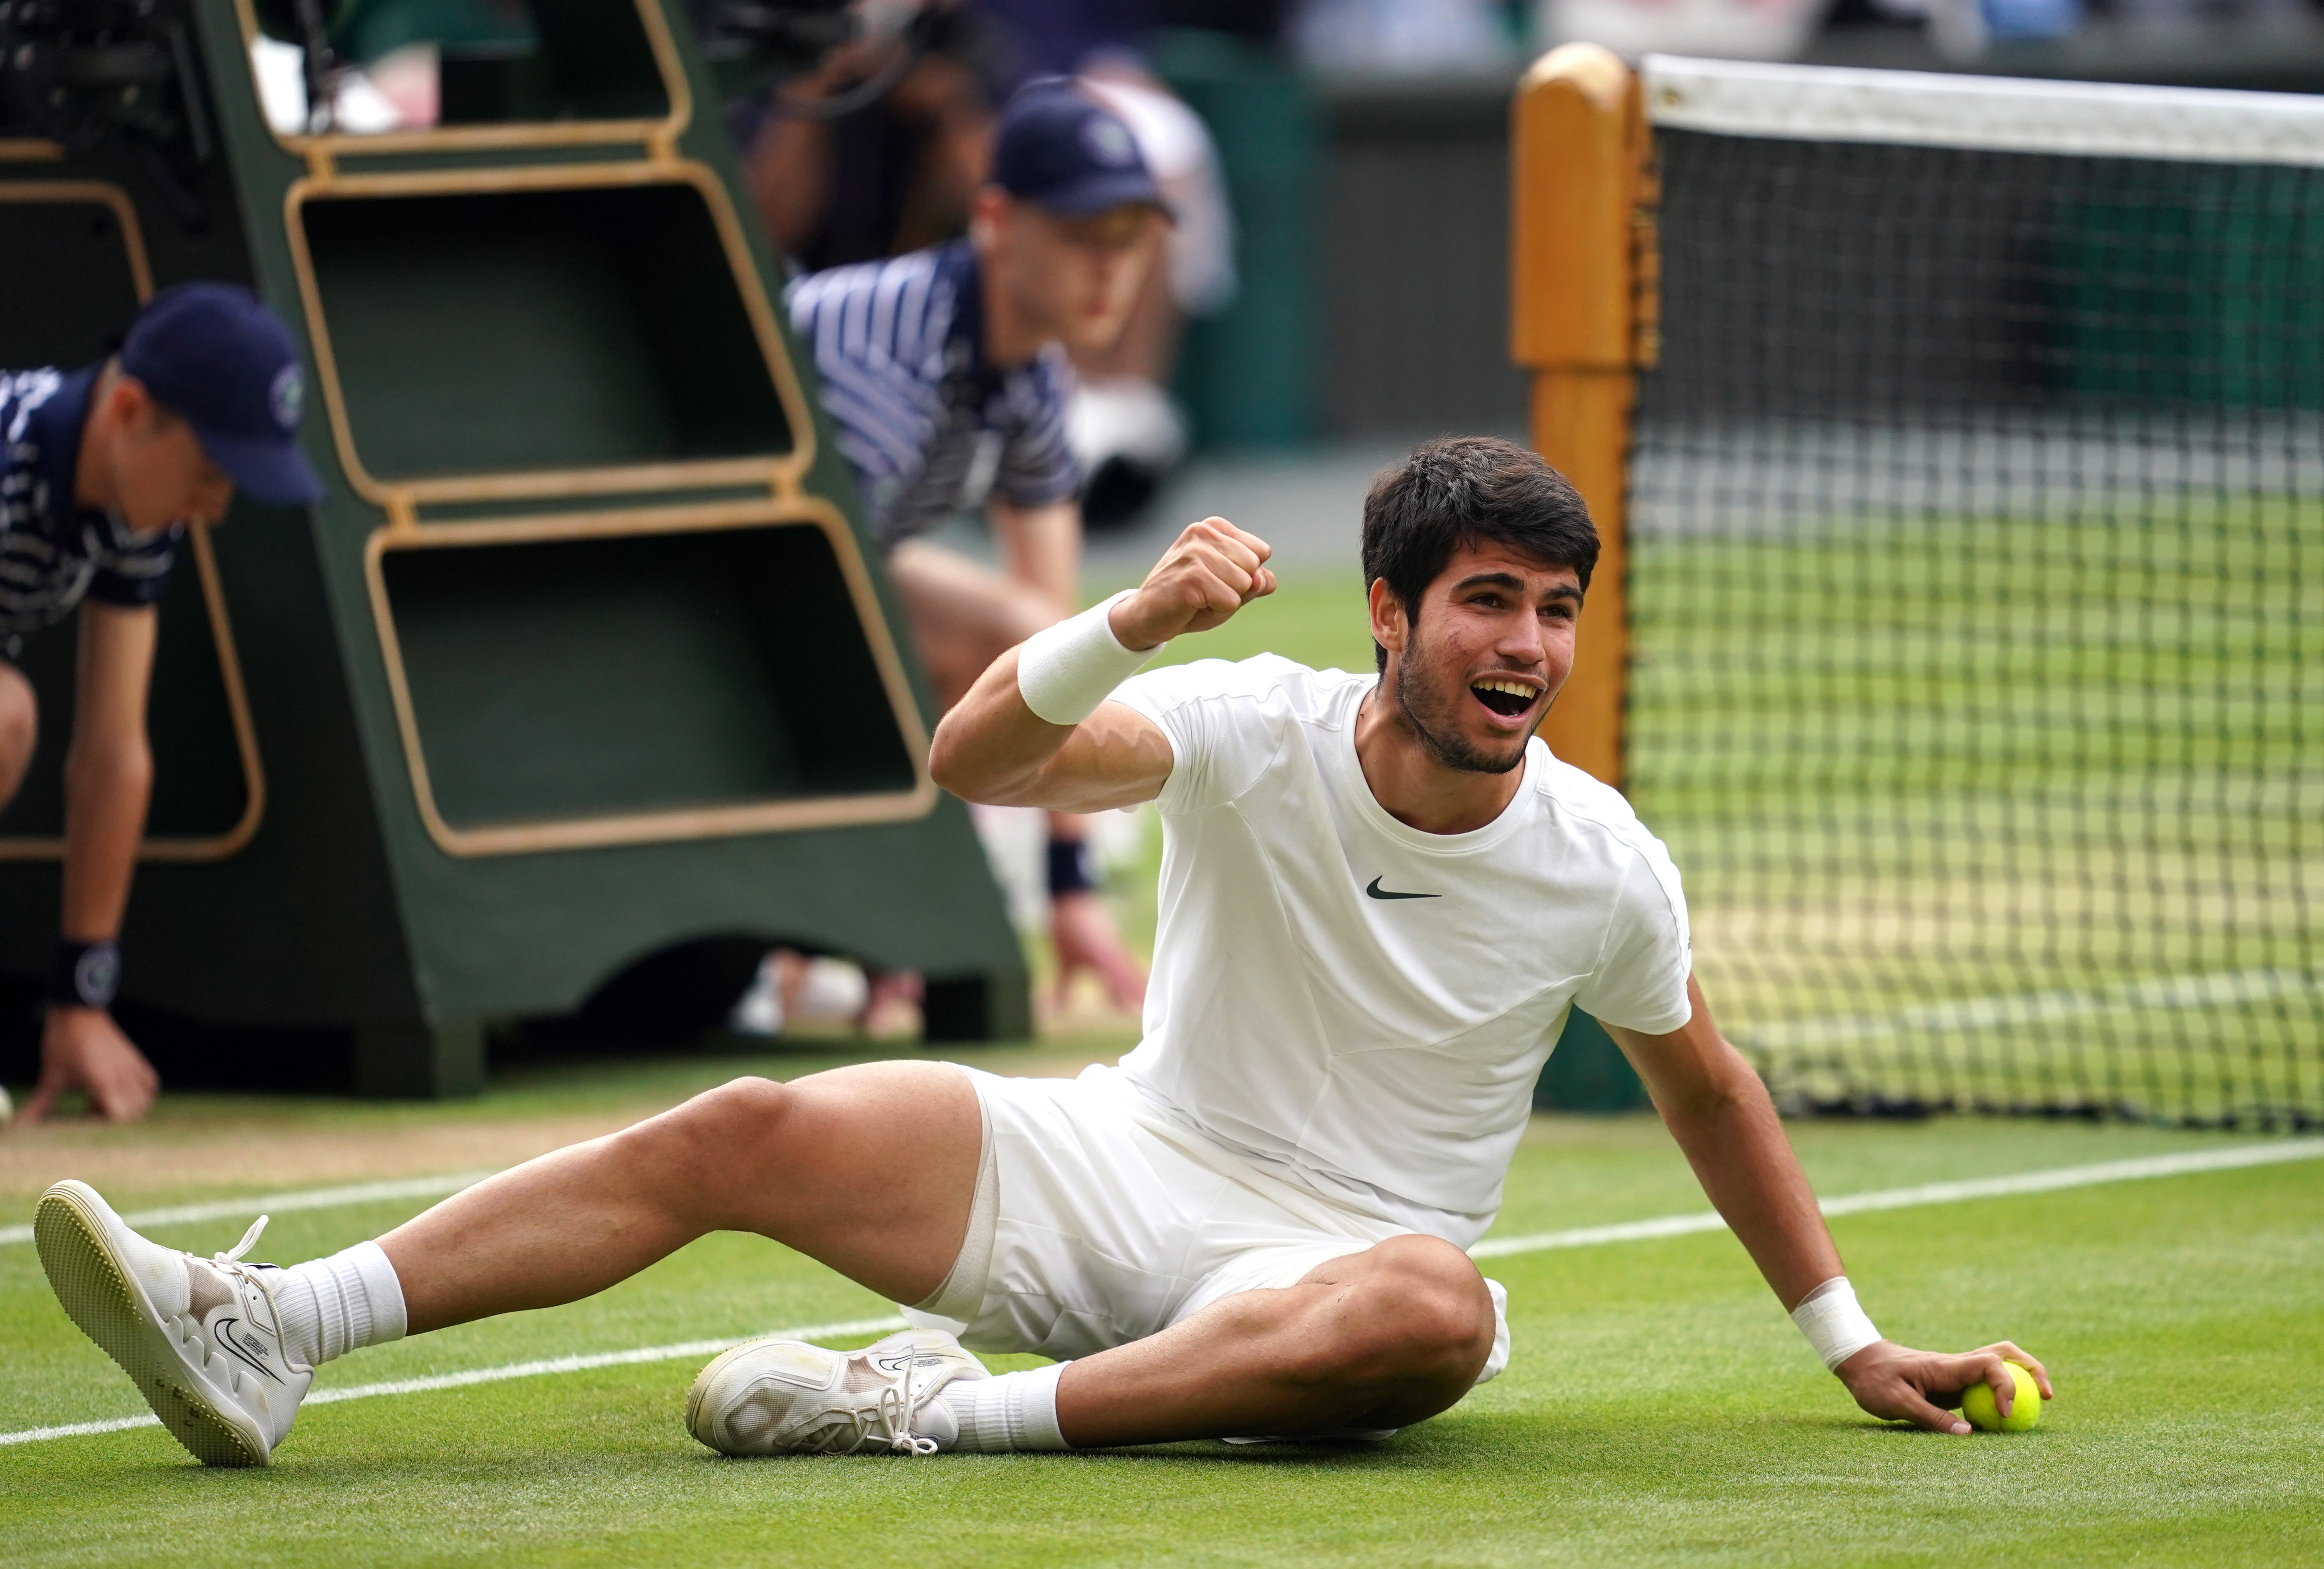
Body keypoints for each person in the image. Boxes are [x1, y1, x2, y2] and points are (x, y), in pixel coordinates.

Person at [35, 436, 2050, 1466]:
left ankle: (921, 1412)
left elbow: (1707, 1085)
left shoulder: (1602, 859)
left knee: (1436, 1314)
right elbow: (976, 760)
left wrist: (1846, 1338)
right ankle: (272, 1327)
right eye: (1487, 602)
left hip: (1333, 1266)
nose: (1526, 646)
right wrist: (1127, 624)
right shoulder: (1247, 722)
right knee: (743, 1122)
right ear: (1388, 612)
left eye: (1553, 610)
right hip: (1118, 1160)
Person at [782, 78, 1168, 1014]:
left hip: (818, 578)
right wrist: (883, 913)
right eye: (1081, 235)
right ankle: (815, 942)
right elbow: (810, 613)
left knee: (1024, 633)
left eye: (1129, 239)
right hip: (716, 588)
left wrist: (1071, 888)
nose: (1110, 269)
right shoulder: (883, 350)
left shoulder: (1033, 368)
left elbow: (1059, 648)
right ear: (996, 221)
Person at [3, 284, 324, 1125]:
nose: (216, 506)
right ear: (128, 412)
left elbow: (113, 752)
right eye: (211, 472)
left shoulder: (135, 514)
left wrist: (81, 998)